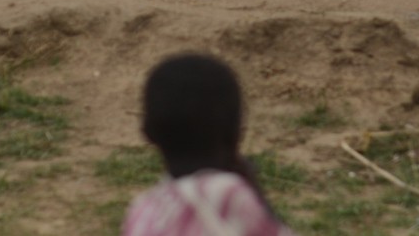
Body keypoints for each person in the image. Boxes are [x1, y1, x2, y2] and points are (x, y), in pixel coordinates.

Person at [122, 53, 297, 236]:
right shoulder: (228, 195)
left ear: (148, 132)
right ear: (237, 131)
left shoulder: (143, 210)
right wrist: (256, 192)